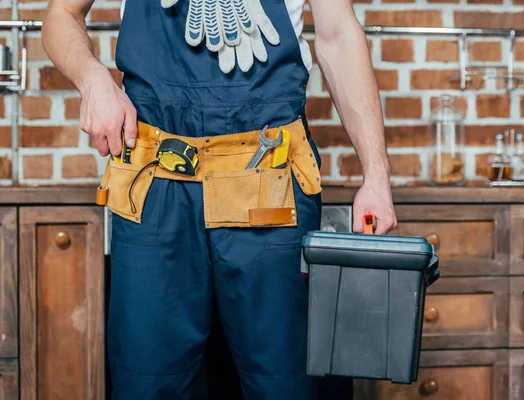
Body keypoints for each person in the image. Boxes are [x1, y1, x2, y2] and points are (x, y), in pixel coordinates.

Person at [42, 0, 397, 399]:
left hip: (269, 185)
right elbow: (61, 14)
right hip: (155, 187)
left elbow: (338, 36)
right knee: (148, 382)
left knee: (284, 381)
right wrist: (94, 80)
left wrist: (376, 176)